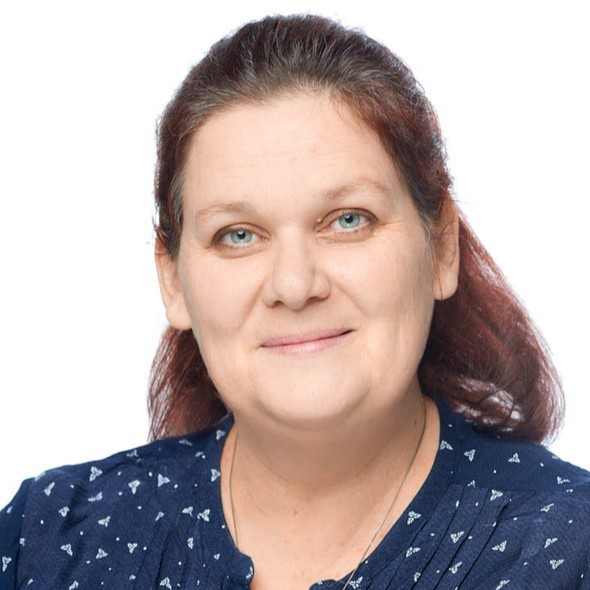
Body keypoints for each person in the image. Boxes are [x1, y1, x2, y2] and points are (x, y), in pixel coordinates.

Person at [1, 13, 589, 590]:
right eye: (238, 234)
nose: (294, 285)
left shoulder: (564, 547)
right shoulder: (48, 539)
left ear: (440, 248)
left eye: (348, 220)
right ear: (173, 281)